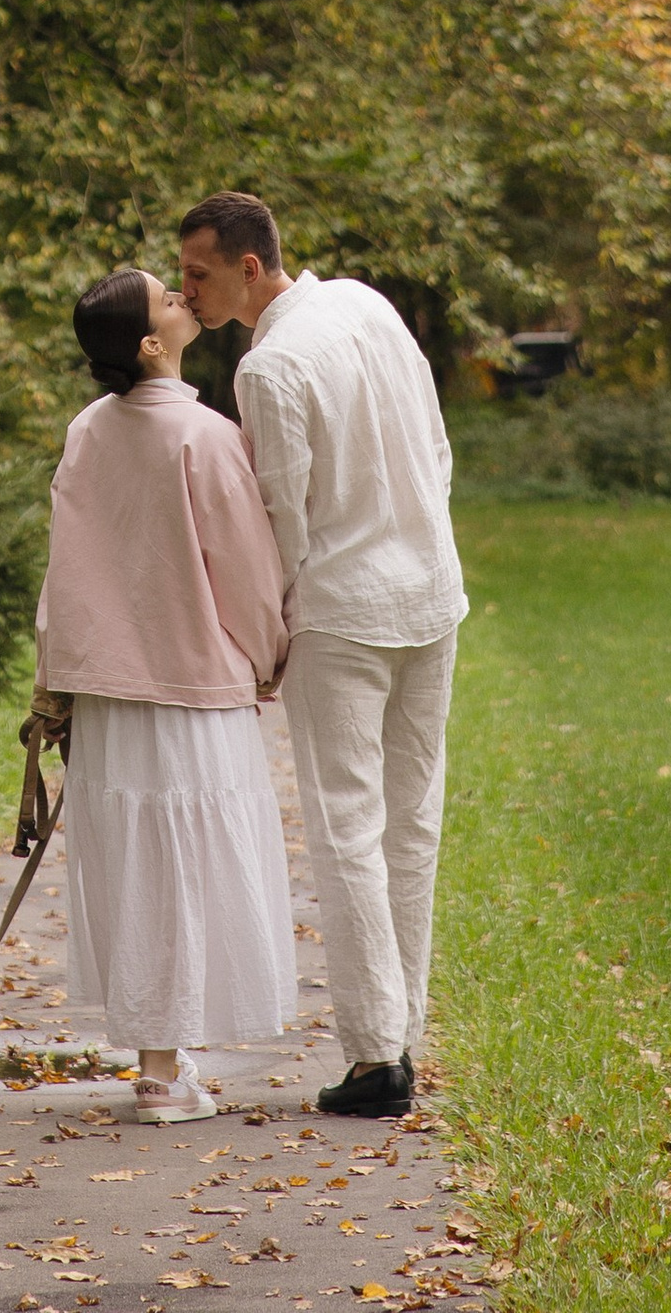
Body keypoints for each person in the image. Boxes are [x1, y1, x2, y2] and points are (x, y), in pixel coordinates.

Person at [176, 190, 468, 1124]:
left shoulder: (270, 366)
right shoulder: (368, 303)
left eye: (199, 274)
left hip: (344, 612)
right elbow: (438, 445)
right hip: (430, 592)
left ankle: (377, 1055)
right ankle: (401, 1032)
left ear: (250, 268)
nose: (188, 292)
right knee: (410, 820)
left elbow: (282, 522)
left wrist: (268, 639)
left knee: (350, 829)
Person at [33, 263, 296, 1126]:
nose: (185, 299)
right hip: (194, 685)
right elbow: (248, 570)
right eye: (168, 299)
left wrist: (55, 682)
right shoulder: (209, 437)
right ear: (152, 343)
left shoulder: (86, 432)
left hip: (111, 692)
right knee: (190, 862)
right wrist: (267, 656)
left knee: (140, 864)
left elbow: (62, 573)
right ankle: (165, 1069)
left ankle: (159, 1064)